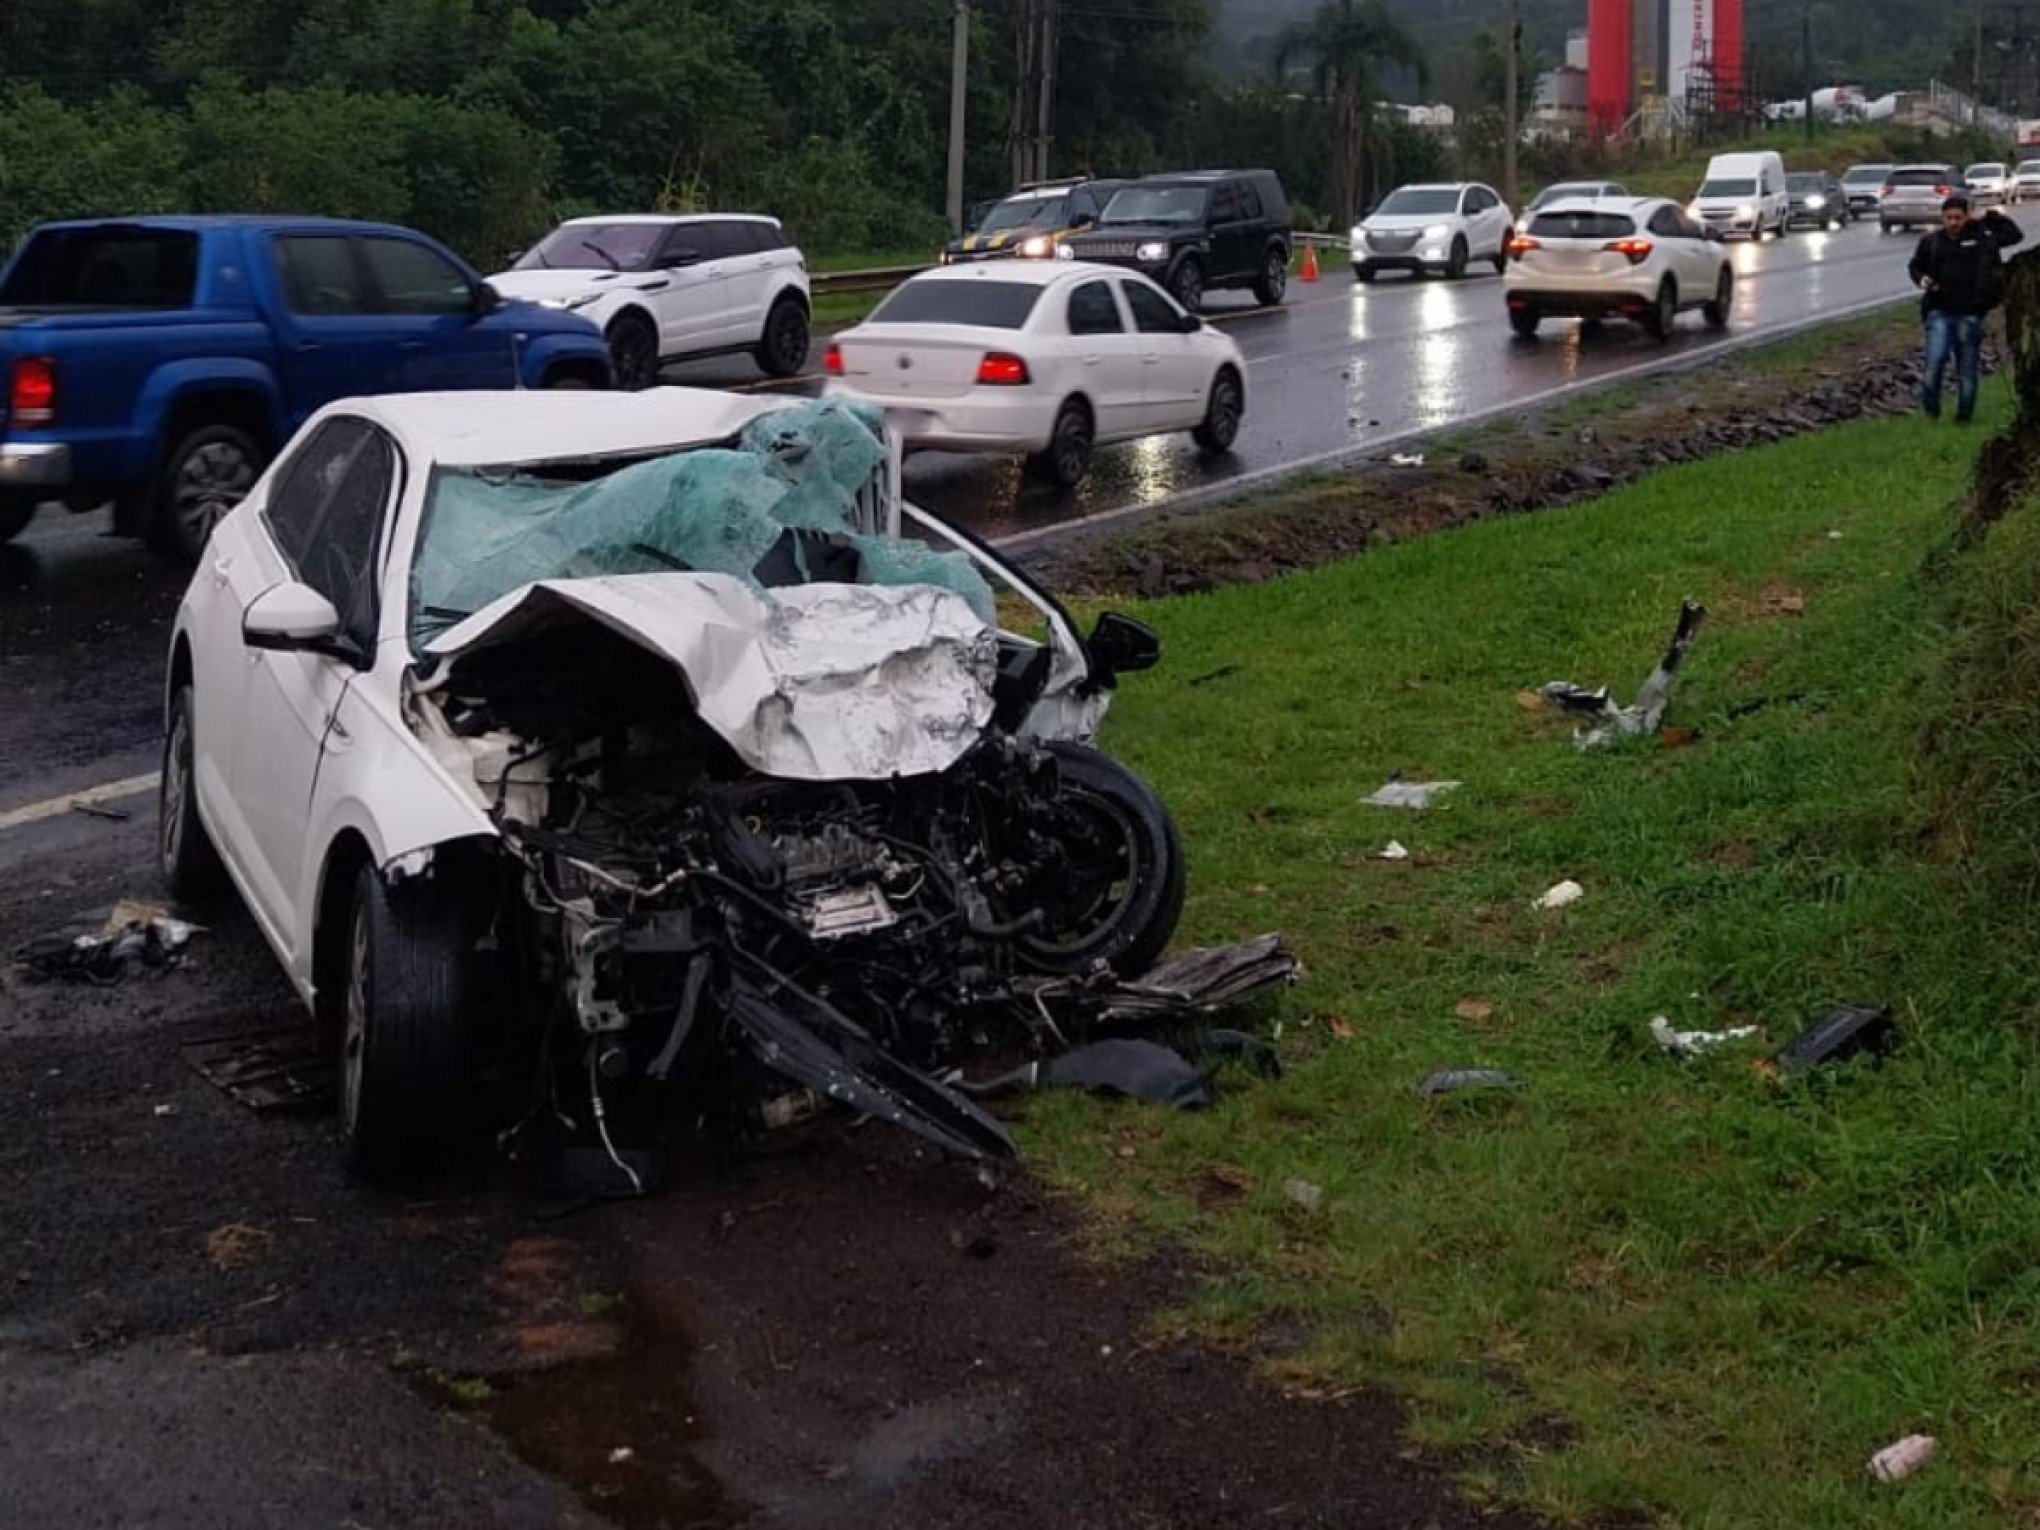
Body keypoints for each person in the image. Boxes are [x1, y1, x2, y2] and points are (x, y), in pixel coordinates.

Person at [1908, 195, 2024, 423]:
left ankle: (1964, 417)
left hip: (1971, 313)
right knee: (1934, 363)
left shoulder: (1982, 238)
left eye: (1958, 218)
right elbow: (1915, 265)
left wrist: (1990, 216)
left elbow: (2014, 235)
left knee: (1967, 368)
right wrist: (1921, 279)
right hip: (1939, 311)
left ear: (1966, 216)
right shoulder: (1932, 241)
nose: (1953, 223)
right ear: (1942, 218)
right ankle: (1931, 413)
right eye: (1949, 218)